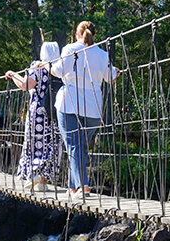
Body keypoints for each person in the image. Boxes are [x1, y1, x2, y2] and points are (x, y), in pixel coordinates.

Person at [50, 21, 120, 194]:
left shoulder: (69, 49)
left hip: (69, 104)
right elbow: (110, 78)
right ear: (94, 36)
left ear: (77, 35)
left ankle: (83, 186)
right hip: (93, 107)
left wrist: (46, 65)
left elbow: (57, 71)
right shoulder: (103, 54)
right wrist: (116, 71)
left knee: (73, 146)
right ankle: (73, 188)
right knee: (81, 147)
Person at [6, 42, 62, 191]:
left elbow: (26, 85)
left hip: (38, 112)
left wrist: (13, 75)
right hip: (58, 111)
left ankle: (33, 174)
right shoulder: (60, 67)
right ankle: (43, 181)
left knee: (35, 142)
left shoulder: (38, 66)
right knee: (52, 144)